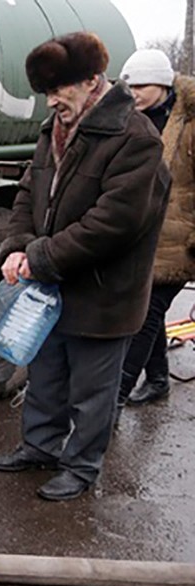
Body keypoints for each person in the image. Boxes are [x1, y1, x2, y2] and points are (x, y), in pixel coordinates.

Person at [0, 33, 170, 501]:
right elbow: (28, 193)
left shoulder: (136, 138)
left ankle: (82, 466)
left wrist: (40, 258)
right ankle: (41, 446)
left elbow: (113, 224)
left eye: (59, 90)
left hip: (104, 293)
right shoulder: (54, 129)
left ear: (92, 82)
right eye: (46, 93)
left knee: (93, 392)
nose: (52, 102)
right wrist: (16, 245)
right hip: (51, 289)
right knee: (45, 377)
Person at [116, 49, 195, 408]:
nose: (133, 94)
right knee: (149, 310)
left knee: (146, 315)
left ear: (162, 83)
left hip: (182, 240)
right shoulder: (135, 120)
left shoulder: (190, 123)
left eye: (141, 86)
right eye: (129, 86)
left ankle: (114, 397)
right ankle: (159, 379)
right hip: (146, 236)